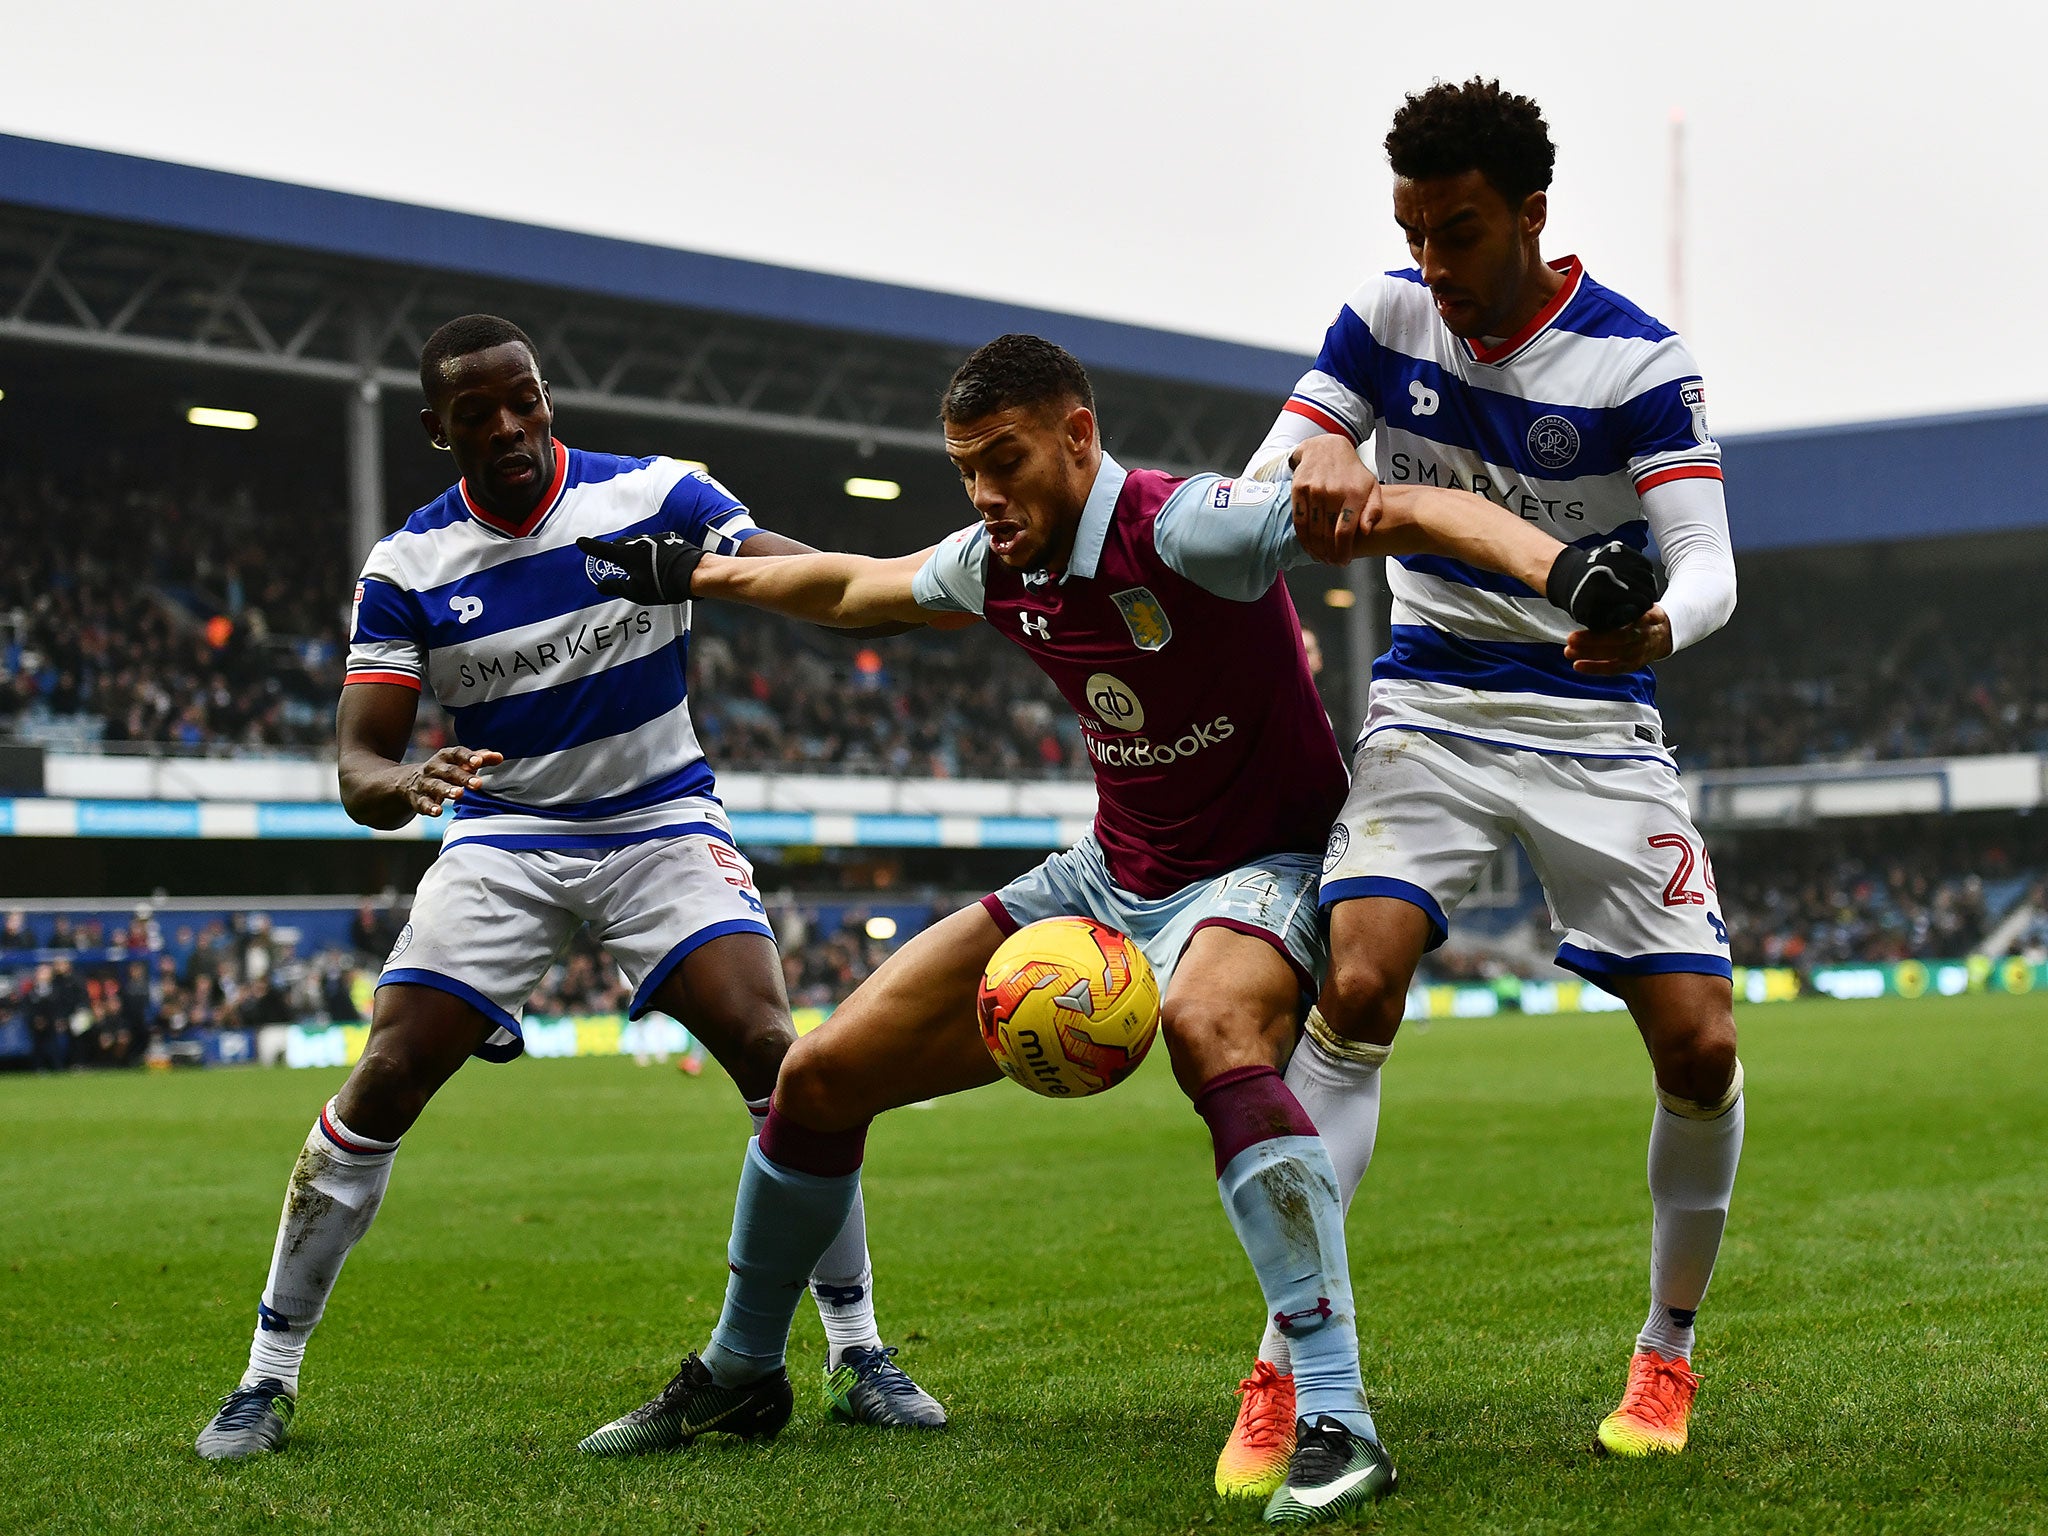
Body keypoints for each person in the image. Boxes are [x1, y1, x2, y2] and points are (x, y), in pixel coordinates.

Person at [571, 333, 1650, 1521]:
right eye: (963, 469)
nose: (983, 494)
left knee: (1208, 1025)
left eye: (1004, 460)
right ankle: (739, 1372)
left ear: (1075, 437)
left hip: (1264, 867)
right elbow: (845, 587)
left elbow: (1409, 509)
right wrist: (696, 576)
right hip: (1105, 880)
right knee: (818, 1077)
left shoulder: (1187, 528)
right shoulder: (995, 562)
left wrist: (1561, 574)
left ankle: (1336, 1420)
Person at [194, 314, 941, 1462]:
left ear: (544, 397)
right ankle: (266, 1376)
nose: (506, 425)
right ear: (436, 429)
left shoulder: (656, 495)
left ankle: (856, 1351)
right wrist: (407, 778)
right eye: (476, 412)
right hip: (504, 836)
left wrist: (703, 569)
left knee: (774, 1052)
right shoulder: (407, 567)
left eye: (522, 399)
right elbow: (356, 765)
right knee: (387, 1071)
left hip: (659, 819)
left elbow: (805, 576)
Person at [1214, 78, 1743, 1489]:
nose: (1433, 267)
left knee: (1699, 1048)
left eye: (1458, 234)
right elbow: (1283, 467)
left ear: (1530, 213)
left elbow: (1710, 563)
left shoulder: (1639, 363)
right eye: (1414, 232)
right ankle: (1286, 1362)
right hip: (1433, 703)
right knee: (1359, 981)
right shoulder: (1385, 316)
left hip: (1594, 717)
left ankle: (1667, 1349)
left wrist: (1654, 626)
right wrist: (1312, 460)